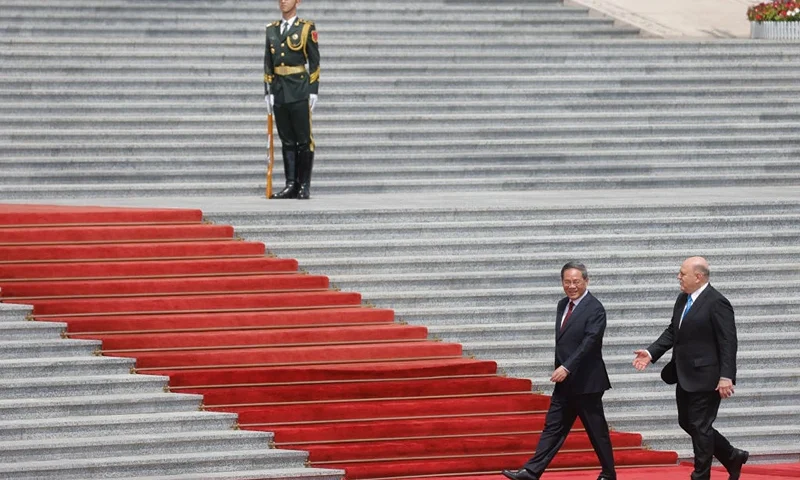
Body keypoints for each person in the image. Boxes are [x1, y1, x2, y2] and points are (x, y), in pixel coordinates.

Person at [633, 256, 749, 480]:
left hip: (707, 376)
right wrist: (650, 353)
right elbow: (672, 331)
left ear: (698, 276)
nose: (679, 277)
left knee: (701, 426)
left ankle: (700, 476)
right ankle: (732, 456)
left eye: (682, 273)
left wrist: (727, 376)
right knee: (688, 422)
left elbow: (728, 342)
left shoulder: (717, 302)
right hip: (684, 374)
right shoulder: (682, 299)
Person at [503, 262, 617, 480]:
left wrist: (566, 367)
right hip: (565, 383)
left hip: (587, 383)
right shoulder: (562, 304)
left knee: (596, 430)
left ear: (586, 281)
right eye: (567, 282)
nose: (571, 286)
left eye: (576, 281)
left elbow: (589, 343)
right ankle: (531, 471)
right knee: (553, 427)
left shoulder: (595, 308)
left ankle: (609, 473)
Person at [264, 0, 320, 199]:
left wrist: (313, 90)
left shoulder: (306, 28)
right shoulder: (271, 30)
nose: (283, 1)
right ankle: (291, 185)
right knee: (286, 139)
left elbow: (314, 61)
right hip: (279, 90)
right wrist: (268, 91)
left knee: (304, 140)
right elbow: (268, 63)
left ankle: (304, 185)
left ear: (298, 1)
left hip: (299, 89)